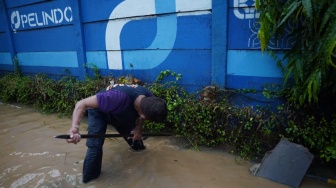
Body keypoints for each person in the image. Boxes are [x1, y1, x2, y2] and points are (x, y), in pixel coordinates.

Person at [66, 84, 168, 183]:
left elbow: (144, 114)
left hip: (121, 114)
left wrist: (138, 128)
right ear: (142, 114)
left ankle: (138, 148)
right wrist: (74, 128)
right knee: (95, 146)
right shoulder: (116, 97)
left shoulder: (150, 98)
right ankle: (89, 181)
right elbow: (81, 104)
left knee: (136, 142)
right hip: (99, 112)